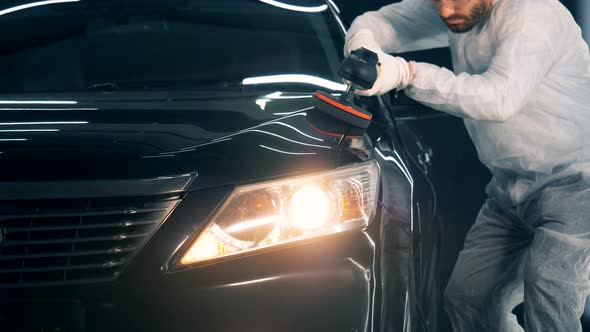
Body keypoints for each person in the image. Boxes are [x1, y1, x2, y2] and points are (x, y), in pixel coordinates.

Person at [344, 0, 590, 330]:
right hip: (509, 187)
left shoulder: (533, 13)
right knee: (469, 299)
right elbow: (376, 22)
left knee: (549, 302)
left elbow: (499, 98)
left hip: (577, 182)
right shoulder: (455, 6)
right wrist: (366, 54)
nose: (446, 11)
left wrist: (406, 73)